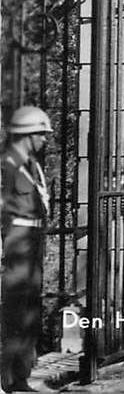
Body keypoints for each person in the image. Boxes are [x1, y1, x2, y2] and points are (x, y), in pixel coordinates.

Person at [1, 105, 53, 393]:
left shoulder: (31, 165)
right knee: (15, 310)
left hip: (33, 238)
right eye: (41, 135)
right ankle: (7, 379)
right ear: (27, 134)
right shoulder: (7, 164)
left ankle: (21, 375)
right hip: (16, 239)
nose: (44, 140)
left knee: (30, 308)